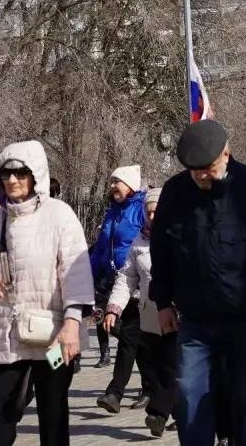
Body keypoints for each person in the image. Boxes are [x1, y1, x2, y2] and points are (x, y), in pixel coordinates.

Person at [148, 119, 246, 446]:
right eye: (195, 170)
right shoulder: (175, 193)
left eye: (209, 167)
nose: (202, 175)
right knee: (189, 394)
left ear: (226, 153)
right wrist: (162, 303)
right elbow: (161, 253)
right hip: (196, 323)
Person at [0, 141, 94, 446]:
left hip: (54, 338)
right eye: (6, 174)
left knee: (53, 410)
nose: (12, 180)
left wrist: (72, 324)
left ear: (36, 176)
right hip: (4, 335)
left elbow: (75, 273)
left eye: (21, 174)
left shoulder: (59, 215)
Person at [104, 188, 178, 438]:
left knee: (174, 366)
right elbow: (127, 277)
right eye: (149, 211)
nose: (153, 215)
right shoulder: (140, 240)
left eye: (158, 210)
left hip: (180, 315)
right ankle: (179, 412)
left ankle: (158, 413)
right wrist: (114, 308)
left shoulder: (181, 236)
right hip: (149, 315)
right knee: (159, 368)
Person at [91, 166, 152, 414]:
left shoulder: (141, 209)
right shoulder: (112, 212)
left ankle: (119, 392)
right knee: (126, 335)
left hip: (137, 282)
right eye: (112, 181)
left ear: (131, 185)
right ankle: (149, 386)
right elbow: (101, 250)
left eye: (119, 181)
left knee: (129, 336)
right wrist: (87, 277)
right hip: (111, 281)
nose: (113, 186)